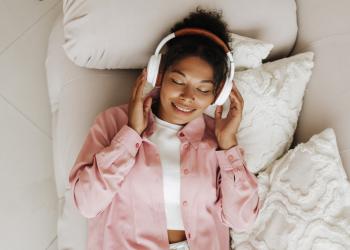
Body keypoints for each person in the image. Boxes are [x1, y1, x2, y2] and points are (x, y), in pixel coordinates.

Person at [68, 7, 260, 250]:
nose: (188, 97)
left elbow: (242, 220)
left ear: (218, 94)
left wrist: (229, 145)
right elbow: (86, 203)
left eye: (202, 90)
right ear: (159, 76)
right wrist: (131, 134)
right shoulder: (113, 123)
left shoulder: (218, 140)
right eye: (178, 81)